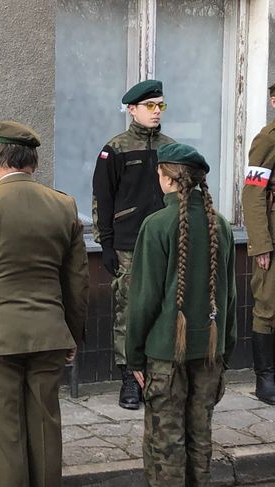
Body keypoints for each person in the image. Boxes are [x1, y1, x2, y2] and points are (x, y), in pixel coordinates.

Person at [0, 120, 89, 487]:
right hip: (49, 336)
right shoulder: (64, 207)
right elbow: (77, 280)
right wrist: (73, 333)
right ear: (33, 164)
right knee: (45, 428)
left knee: (4, 435)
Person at [126, 143, 236, 486]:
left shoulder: (156, 225)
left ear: (167, 178)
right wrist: (225, 354)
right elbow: (229, 297)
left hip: (163, 354)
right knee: (200, 438)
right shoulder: (222, 225)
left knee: (165, 444)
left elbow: (144, 300)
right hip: (210, 351)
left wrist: (134, 356)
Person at [92, 79, 175, 409]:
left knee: (164, 308)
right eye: (150, 106)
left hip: (165, 242)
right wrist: (107, 244)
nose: (157, 112)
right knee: (129, 311)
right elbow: (103, 197)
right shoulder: (116, 148)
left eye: (161, 106)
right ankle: (130, 379)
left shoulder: (170, 147)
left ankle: (158, 377)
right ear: (132, 109)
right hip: (129, 243)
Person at [241, 82, 275, 405]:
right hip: (272, 236)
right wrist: (261, 243)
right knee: (267, 303)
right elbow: (252, 192)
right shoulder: (267, 139)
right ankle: (264, 378)